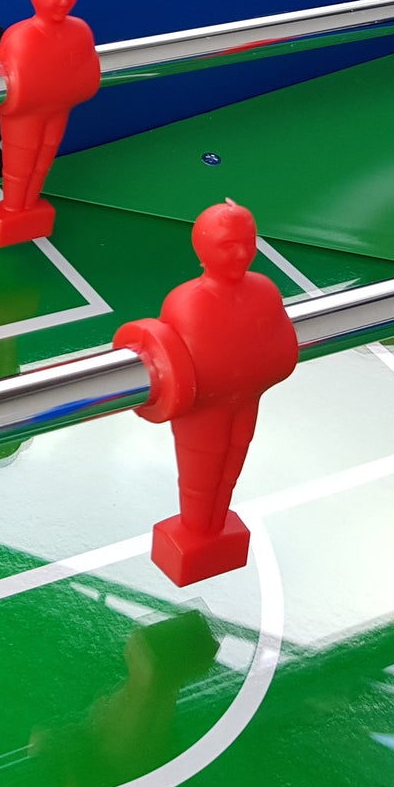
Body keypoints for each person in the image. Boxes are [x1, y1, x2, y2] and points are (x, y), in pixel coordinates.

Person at [115, 201, 299, 585]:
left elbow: (282, 351)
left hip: (245, 400)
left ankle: (213, 527)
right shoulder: (188, 302)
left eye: (248, 242)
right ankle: (198, 529)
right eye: (228, 245)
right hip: (204, 410)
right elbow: (199, 363)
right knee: (202, 473)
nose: (242, 254)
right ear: (203, 250)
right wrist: (240, 370)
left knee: (232, 463)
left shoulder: (265, 291)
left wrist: (249, 373)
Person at [0, 0, 100, 247]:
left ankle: (28, 206)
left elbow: (86, 72)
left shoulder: (80, 31)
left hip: (57, 108)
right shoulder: (21, 36)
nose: (63, 2)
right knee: (20, 163)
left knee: (44, 158)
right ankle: (13, 208)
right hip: (25, 114)